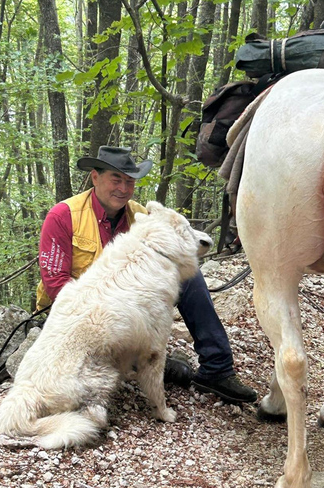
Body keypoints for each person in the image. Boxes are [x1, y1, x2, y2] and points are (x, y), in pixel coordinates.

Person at [36, 145, 257, 404]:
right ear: (95, 177)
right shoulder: (63, 216)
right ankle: (142, 365)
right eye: (115, 179)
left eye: (129, 182)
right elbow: (56, 286)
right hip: (76, 318)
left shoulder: (140, 215)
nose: (123, 189)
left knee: (189, 275)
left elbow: (175, 252)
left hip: (129, 313)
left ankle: (216, 368)